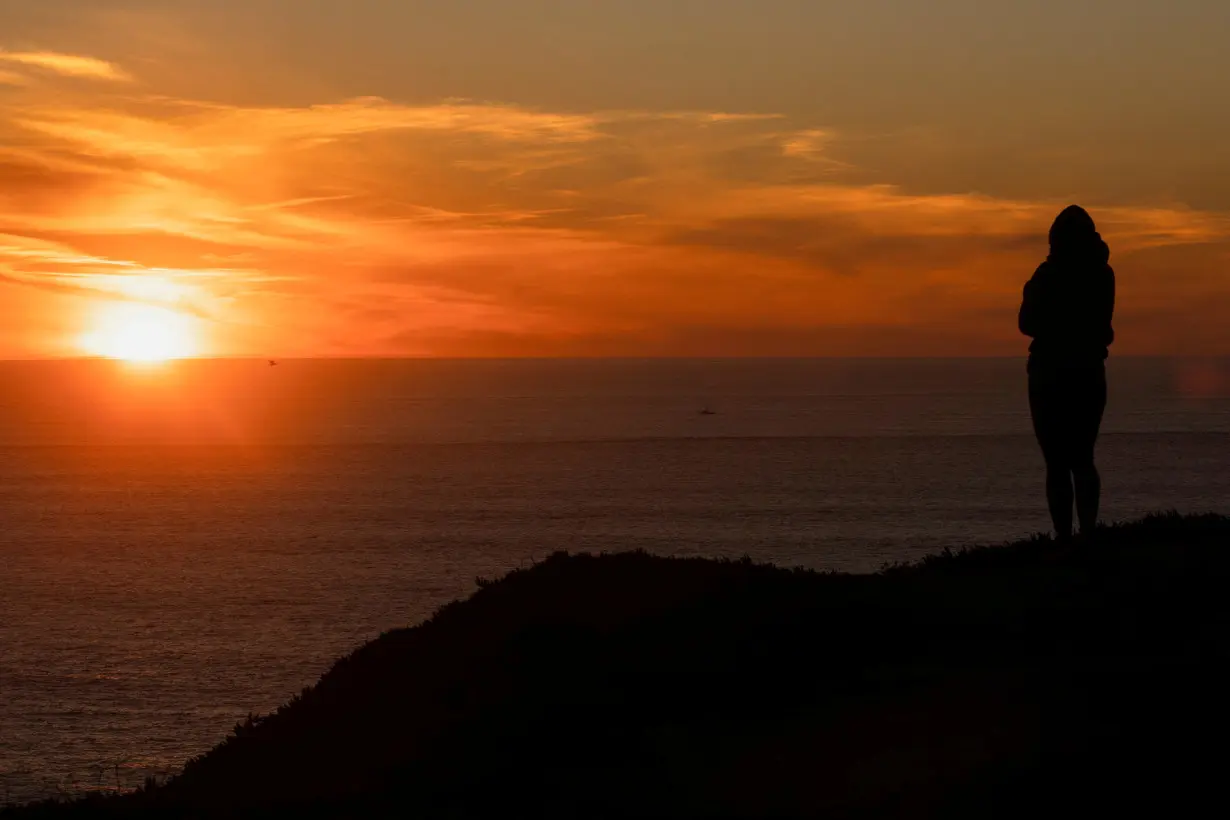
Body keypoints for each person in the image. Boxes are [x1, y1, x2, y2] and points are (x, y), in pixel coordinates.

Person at [1019, 205, 1116, 541]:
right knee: (1082, 458)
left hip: (1050, 374)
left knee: (1058, 462)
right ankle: (1086, 535)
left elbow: (1025, 322)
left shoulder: (1047, 276)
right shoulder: (1103, 275)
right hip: (1088, 371)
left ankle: (1065, 538)